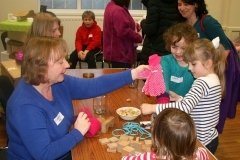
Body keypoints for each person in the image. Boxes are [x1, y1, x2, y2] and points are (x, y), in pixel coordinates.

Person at [6, 36, 149, 159]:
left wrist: (132, 74)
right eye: (60, 62)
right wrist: (78, 132)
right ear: (41, 67)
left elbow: (93, 86)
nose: (67, 65)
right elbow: (44, 154)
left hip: (66, 152)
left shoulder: (56, 82)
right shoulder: (24, 106)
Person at [140, 37, 226, 154]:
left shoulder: (202, 82)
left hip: (200, 142)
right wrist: (180, 98)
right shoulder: (214, 79)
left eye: (193, 64)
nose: (190, 68)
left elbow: (185, 108)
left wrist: (152, 108)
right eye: (189, 63)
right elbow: (200, 105)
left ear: (208, 63)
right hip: (211, 139)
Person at [178, 0, 240, 133]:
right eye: (179, 4)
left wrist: (211, 72)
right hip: (197, 73)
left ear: (196, 4)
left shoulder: (207, 22)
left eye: (186, 4)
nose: (182, 8)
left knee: (209, 113)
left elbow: (225, 48)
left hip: (209, 73)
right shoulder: (185, 24)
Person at [122, 108, 209, 160]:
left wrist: (135, 155)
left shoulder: (152, 157)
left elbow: (125, 159)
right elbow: (204, 153)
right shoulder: (200, 153)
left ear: (157, 138)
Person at [157, 23, 198, 103]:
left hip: (188, 107)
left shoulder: (196, 65)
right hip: (166, 105)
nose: (178, 52)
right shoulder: (165, 61)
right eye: (174, 47)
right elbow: (163, 88)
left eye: (183, 48)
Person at [138, 0, 184, 65]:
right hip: (172, 48)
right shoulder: (177, 3)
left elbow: (150, 30)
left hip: (154, 49)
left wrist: (143, 23)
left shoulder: (154, 3)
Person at [103, 0, 143, 68]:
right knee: (123, 77)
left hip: (116, 52)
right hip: (121, 53)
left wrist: (135, 26)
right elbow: (123, 31)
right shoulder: (118, 10)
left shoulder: (111, 6)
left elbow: (121, 24)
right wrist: (139, 38)